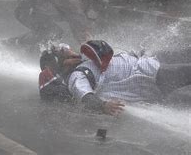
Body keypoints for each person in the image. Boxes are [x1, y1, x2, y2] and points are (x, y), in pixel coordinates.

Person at [38, 40, 191, 116]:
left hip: (153, 64)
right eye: (66, 53)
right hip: (153, 77)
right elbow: (85, 96)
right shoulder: (78, 76)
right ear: (63, 63)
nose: (72, 52)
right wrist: (103, 106)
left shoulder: (88, 58)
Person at [9, 0, 108, 47]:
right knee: (53, 33)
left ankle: (16, 43)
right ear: (90, 1)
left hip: (33, 11)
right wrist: (93, 49)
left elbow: (80, 29)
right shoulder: (74, 3)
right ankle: (16, 44)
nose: (96, 10)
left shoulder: (78, 3)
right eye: (97, 6)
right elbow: (80, 32)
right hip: (25, 10)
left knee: (53, 32)